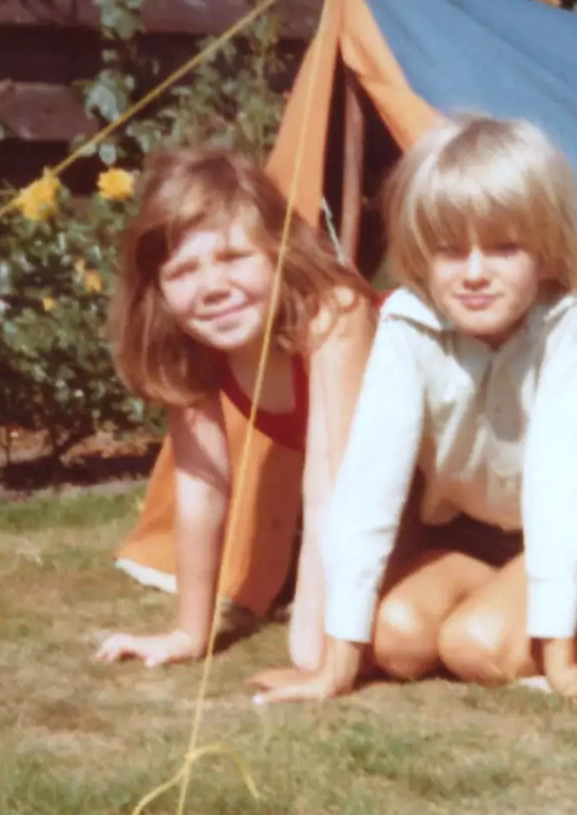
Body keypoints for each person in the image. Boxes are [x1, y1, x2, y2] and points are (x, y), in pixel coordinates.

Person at [254, 114, 577, 706]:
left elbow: (566, 487)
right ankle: (498, 606)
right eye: (451, 251)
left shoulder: (573, 320)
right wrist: (335, 665)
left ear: (548, 253)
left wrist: (561, 666)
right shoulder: (409, 322)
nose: (475, 273)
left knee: (476, 647)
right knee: (395, 642)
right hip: (472, 538)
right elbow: (369, 485)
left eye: (505, 248)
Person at [93, 147, 376, 670]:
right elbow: (202, 488)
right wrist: (188, 633)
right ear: (157, 291)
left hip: (441, 496)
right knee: (319, 643)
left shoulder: (333, 314)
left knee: (315, 649)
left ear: (279, 252)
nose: (212, 288)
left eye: (233, 258)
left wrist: (319, 641)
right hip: (371, 506)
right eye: (182, 272)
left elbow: (329, 488)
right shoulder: (197, 349)